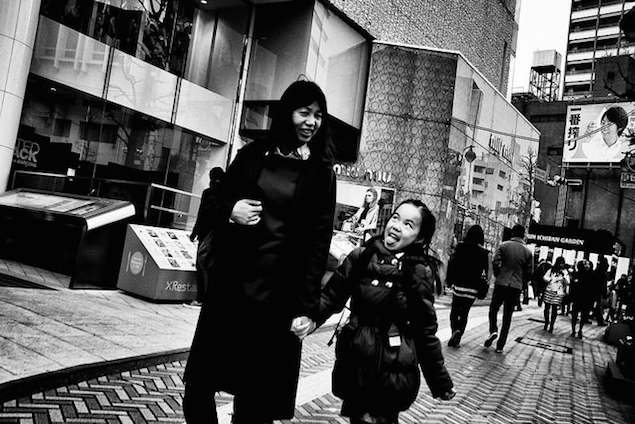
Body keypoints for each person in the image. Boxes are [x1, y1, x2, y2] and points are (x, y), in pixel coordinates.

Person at [182, 80, 337, 424]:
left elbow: (318, 244)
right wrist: (231, 210)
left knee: (255, 404)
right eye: (304, 112)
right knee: (198, 387)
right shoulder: (254, 154)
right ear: (287, 113)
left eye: (318, 115)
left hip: (276, 304)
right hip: (231, 291)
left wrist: (307, 308)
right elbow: (216, 198)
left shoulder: (321, 173)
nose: (312, 122)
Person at [314, 199, 455, 424]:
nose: (397, 226)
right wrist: (308, 320)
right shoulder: (361, 257)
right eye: (395, 218)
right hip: (356, 359)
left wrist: (440, 382)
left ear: (419, 238)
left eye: (408, 224)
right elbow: (331, 297)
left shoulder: (418, 272)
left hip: (392, 367)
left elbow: (424, 331)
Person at [484, 224, 533, 353]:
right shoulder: (528, 252)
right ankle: (500, 345)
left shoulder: (503, 246)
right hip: (516, 286)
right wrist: (522, 282)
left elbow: (496, 262)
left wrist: (498, 274)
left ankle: (493, 330)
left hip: (502, 282)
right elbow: (529, 272)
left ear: (512, 233)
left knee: (494, 308)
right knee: (508, 315)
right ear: (523, 235)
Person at [184, 166, 225, 308]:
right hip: (219, 235)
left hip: (207, 234)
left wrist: (194, 233)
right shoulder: (226, 193)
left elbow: (201, 215)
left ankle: (201, 299)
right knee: (212, 267)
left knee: (201, 264)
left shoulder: (208, 193)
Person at [446, 224, 490, 348]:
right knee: (465, 312)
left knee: (455, 311)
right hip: (473, 288)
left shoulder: (460, 247)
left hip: (459, 285)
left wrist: (449, 280)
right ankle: (459, 335)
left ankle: (455, 330)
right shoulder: (484, 253)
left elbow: (452, 264)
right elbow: (486, 273)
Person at [542, 256, 569, 333]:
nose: (561, 265)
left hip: (558, 292)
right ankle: (546, 322)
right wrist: (550, 279)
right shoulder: (551, 270)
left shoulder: (565, 272)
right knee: (546, 307)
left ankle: (552, 325)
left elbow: (568, 282)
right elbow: (545, 277)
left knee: (554, 309)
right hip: (549, 290)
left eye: (562, 263)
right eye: (560, 263)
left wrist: (564, 276)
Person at [569, 259, 594, 338]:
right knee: (575, 314)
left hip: (586, 298)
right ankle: (574, 330)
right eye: (585, 264)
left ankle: (579, 329)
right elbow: (572, 286)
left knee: (583, 315)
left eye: (588, 264)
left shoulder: (591, 275)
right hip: (578, 297)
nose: (587, 265)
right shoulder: (577, 274)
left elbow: (593, 288)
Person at [591, 257, 609, 326]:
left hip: (594, 290)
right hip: (598, 291)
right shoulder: (602, 272)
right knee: (597, 306)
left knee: (595, 305)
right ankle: (600, 321)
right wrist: (604, 293)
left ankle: (590, 317)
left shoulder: (597, 270)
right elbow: (603, 284)